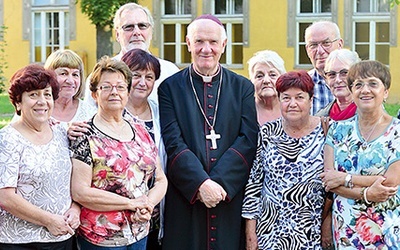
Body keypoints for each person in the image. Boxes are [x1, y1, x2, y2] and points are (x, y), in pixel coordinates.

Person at [158, 14, 258, 250]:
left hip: (228, 196)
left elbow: (247, 139)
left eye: (213, 42)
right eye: (199, 41)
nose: (206, 49)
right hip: (187, 196)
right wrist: (201, 184)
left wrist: (219, 184)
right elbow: (173, 142)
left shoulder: (242, 87)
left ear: (223, 45)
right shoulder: (170, 88)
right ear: (188, 43)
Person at [70, 56, 167, 250]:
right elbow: (80, 192)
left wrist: (146, 204)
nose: (115, 92)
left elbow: (160, 180)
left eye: (121, 87)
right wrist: (131, 204)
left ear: (128, 92)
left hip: (139, 233)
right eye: (106, 87)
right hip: (102, 238)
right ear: (95, 94)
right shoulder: (84, 134)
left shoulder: (141, 131)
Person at [242, 70, 326, 249]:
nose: (292, 104)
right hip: (270, 233)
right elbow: (254, 183)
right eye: (286, 98)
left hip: (311, 233)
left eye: (299, 97)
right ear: (279, 100)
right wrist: (250, 232)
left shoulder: (327, 131)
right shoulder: (267, 132)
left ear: (311, 101)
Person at [321, 60, 400, 249]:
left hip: (386, 232)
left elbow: (390, 182)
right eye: (358, 85)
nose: (365, 90)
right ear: (352, 92)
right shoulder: (337, 130)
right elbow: (329, 182)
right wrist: (367, 192)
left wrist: (344, 177)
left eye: (373, 83)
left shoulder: (397, 131)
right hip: (346, 233)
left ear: (385, 91)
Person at [0, 64, 80, 248]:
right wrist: (49, 220)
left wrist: (75, 209)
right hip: (21, 241)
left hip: (62, 238)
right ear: (18, 102)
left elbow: (73, 182)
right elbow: (5, 197)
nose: (42, 101)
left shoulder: (62, 132)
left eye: (47, 94)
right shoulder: (7, 140)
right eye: (33, 95)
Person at [84, 2, 179, 108]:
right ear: (117, 34)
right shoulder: (100, 75)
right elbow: (89, 114)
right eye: (129, 27)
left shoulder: (170, 72)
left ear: (151, 32)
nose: (136, 32)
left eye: (142, 26)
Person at [121, 48, 167, 249]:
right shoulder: (112, 112)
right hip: (121, 210)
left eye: (149, 77)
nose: (142, 82)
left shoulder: (161, 112)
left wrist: (152, 201)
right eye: (136, 75)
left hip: (155, 206)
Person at [11, 49, 96, 128]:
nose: (70, 81)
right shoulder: (35, 107)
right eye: (63, 73)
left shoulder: (90, 113)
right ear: (49, 77)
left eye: (75, 75)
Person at [305, 20, 343, 115]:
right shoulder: (302, 86)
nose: (320, 51)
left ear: (340, 44)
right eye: (313, 45)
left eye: (326, 43)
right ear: (307, 49)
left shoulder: (357, 83)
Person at [316, 49, 361, 120]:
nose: (338, 80)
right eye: (332, 74)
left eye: (344, 73)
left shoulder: (370, 114)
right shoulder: (320, 118)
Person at [247, 50, 286, 125]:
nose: (266, 80)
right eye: (259, 76)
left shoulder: (291, 109)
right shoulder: (244, 111)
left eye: (272, 75)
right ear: (251, 81)